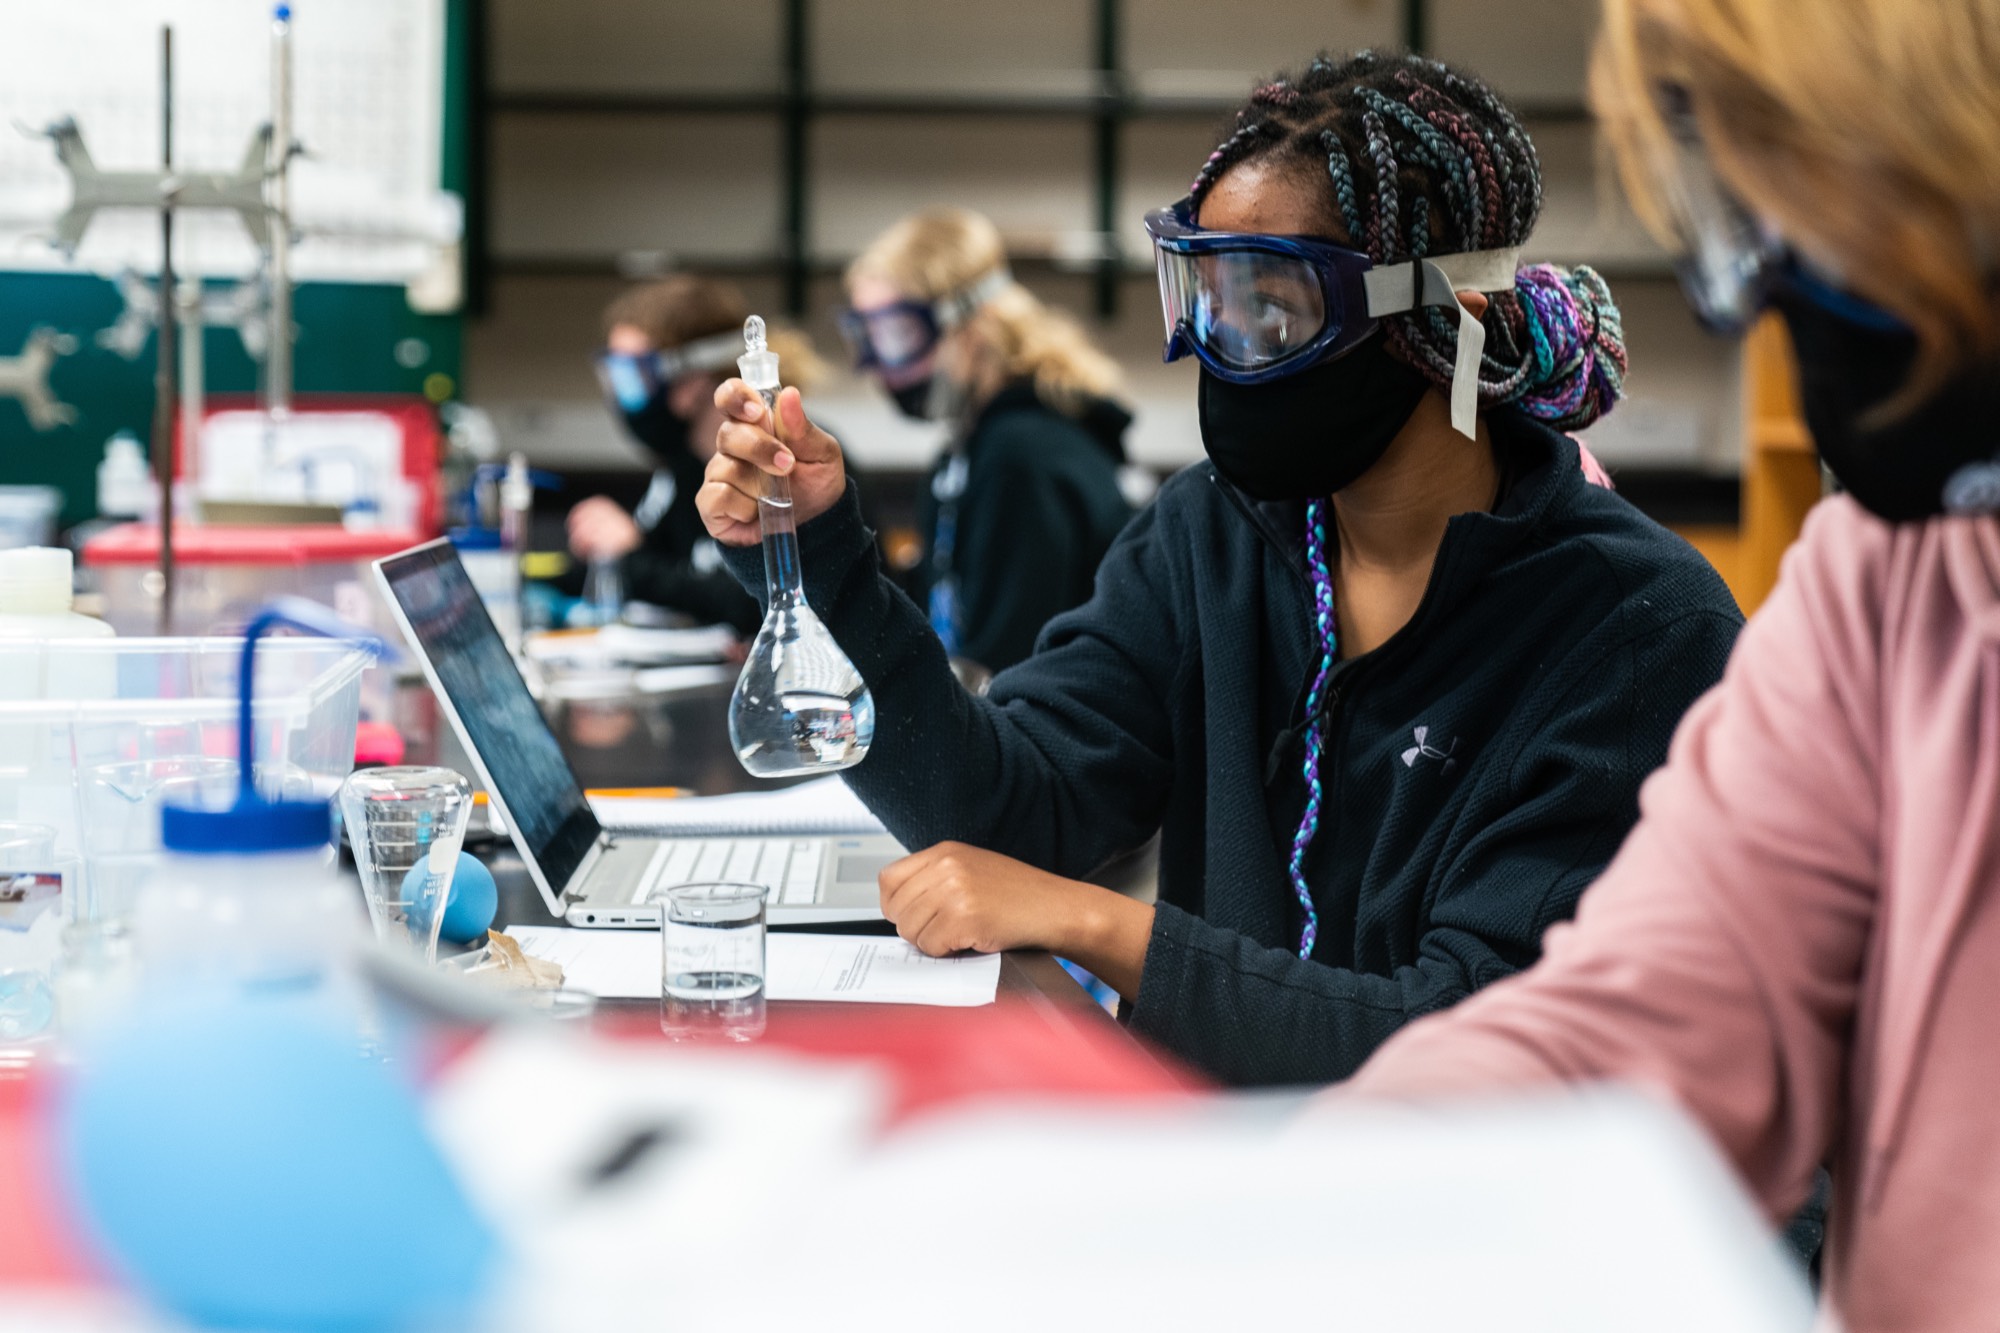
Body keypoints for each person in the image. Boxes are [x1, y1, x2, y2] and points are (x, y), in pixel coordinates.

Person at [699, 52, 1743, 1087]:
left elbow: (1464, 1044)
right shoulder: (1215, 534)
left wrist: (1095, 923)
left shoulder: (1635, 629)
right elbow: (1008, 810)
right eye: (1204, 296)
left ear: (1445, 317)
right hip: (1206, 1166)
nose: (1222, 348)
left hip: (1457, 1218)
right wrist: (816, 554)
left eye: (1273, 308)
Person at [1341, 3, 2000, 1326]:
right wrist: (1282, 1218)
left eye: (1822, 212)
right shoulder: (1891, 575)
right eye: (1750, 223)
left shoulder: (1635, 604)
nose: (1769, 291)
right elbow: (1634, 1037)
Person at [842, 208, 1136, 673]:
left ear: (970, 325)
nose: (880, 365)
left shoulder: (1023, 459)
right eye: (868, 336)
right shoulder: (961, 458)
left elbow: (1009, 667)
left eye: (898, 334)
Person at [569, 275, 817, 635]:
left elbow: (756, 603)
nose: (621, 398)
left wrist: (628, 557)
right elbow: (654, 564)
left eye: (633, 377)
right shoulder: (681, 471)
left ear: (693, 380)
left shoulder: (783, 460)